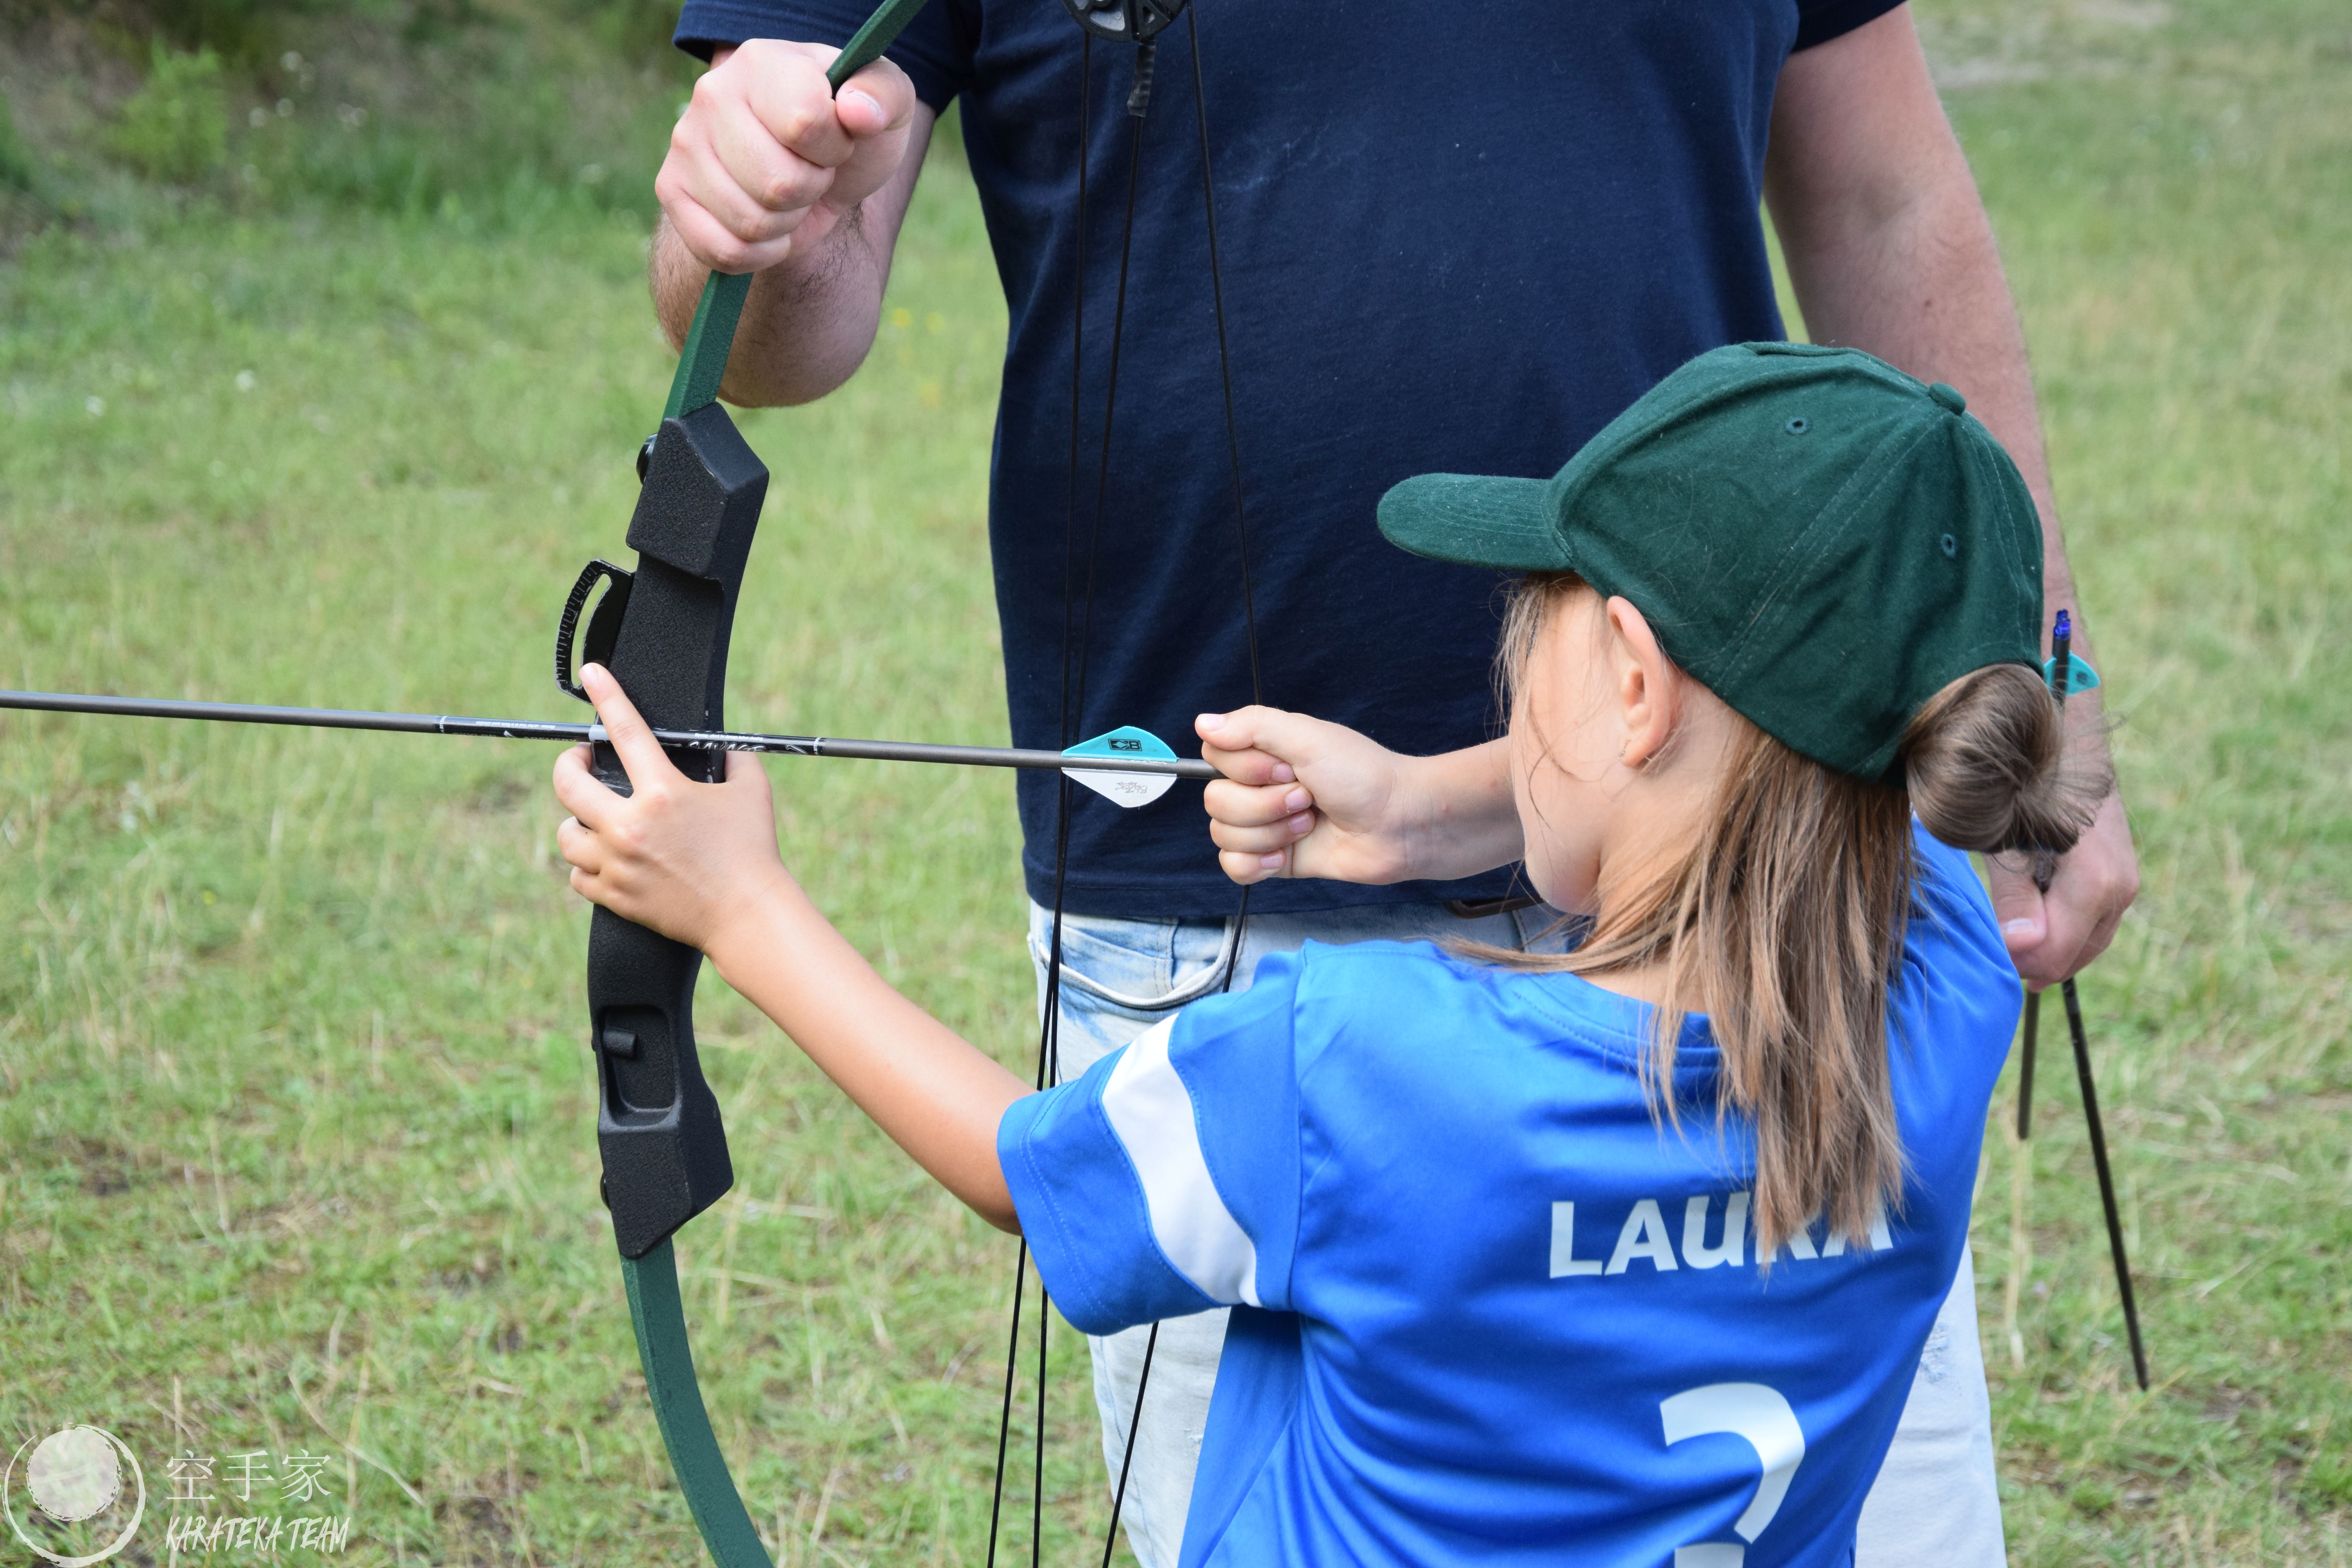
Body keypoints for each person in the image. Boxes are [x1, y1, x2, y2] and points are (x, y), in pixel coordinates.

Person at [646, 0, 2141, 1559]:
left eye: (1532, 617)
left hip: (1545, 948)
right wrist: (757, 196)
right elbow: (783, 301)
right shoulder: (1937, 969)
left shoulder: (1333, 1073)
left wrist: (736, 900)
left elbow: (1886, 189)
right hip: (1638, 915)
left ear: (1622, 672)